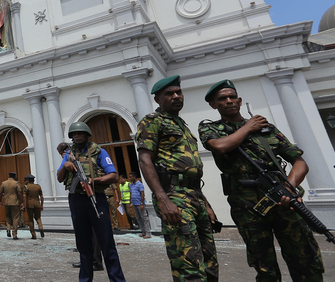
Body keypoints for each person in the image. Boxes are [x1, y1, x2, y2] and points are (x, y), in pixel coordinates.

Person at [198, 79, 324, 281]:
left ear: (239, 101)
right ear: (214, 105)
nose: (229, 101)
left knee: (305, 259)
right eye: (222, 99)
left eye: (232, 97)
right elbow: (220, 146)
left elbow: (299, 162)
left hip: (284, 201)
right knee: (264, 266)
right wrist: (248, 127)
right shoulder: (211, 129)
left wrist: (289, 188)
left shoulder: (267, 128)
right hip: (248, 207)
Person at [135, 75, 218, 281]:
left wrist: (205, 203)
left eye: (178, 92)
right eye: (169, 94)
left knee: (210, 262)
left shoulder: (182, 125)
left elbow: (191, 172)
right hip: (174, 196)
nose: (176, 96)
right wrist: (163, 199)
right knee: (187, 264)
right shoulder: (152, 121)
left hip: (195, 195)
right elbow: (145, 160)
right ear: (158, 100)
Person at [56, 122, 125, 282]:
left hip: (96, 198)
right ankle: (85, 279)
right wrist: (65, 166)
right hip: (76, 200)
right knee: (83, 244)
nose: (76, 136)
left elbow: (113, 175)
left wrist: (93, 181)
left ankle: (117, 279)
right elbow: (60, 178)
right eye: (74, 134)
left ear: (87, 134)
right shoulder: (69, 153)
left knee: (107, 242)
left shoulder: (98, 151)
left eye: (80, 133)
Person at [0, 172, 23, 239]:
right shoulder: (16, 183)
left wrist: (0, 201)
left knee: (8, 216)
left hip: (6, 202)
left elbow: (0, 193)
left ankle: (8, 229)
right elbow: (19, 193)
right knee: (15, 218)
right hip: (14, 202)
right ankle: (14, 234)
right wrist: (22, 202)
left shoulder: (4, 183)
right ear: (14, 176)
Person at [128, 172, 152, 238]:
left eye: (131, 177)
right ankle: (143, 232)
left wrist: (141, 203)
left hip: (139, 204)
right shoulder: (131, 185)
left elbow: (142, 194)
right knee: (138, 218)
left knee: (144, 218)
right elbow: (131, 194)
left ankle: (148, 233)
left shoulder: (139, 184)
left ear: (134, 177)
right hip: (134, 204)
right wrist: (130, 203)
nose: (130, 178)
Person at [23, 174, 44, 239]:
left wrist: (23, 204)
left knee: (30, 219)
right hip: (37, 204)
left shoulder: (26, 187)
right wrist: (42, 205)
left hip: (30, 204)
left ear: (28, 180)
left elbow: (24, 196)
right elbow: (42, 197)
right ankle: (41, 228)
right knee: (38, 218)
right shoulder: (38, 186)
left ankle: (33, 235)